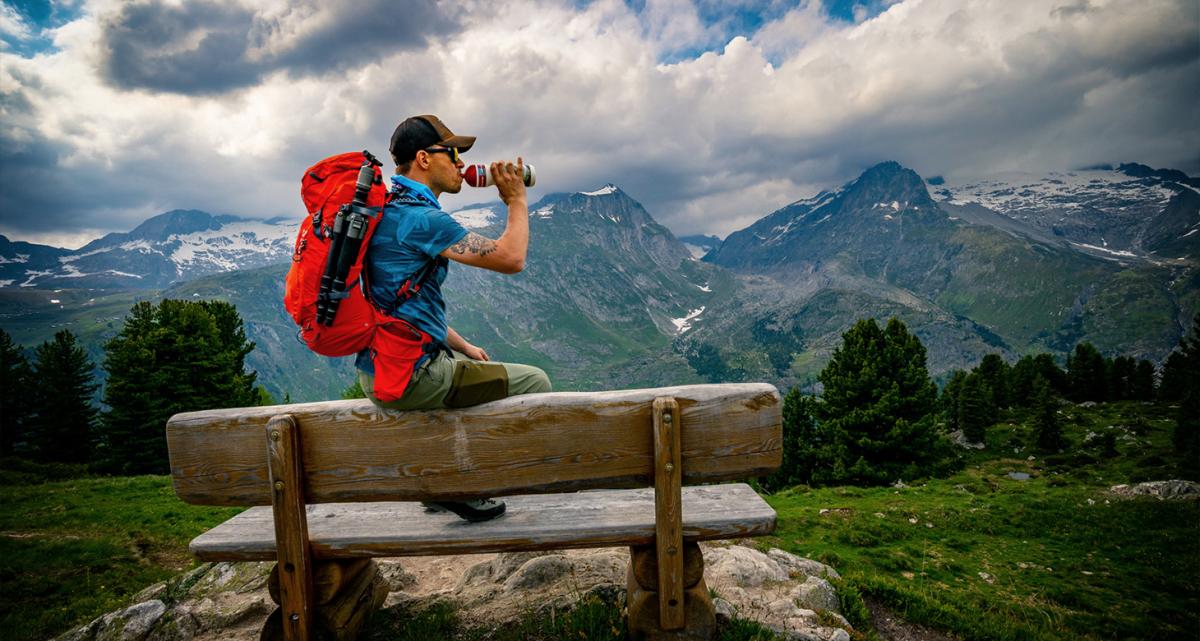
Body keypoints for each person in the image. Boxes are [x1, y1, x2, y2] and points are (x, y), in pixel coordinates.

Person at [355, 114, 551, 521]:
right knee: (536, 381)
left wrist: (460, 345)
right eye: (455, 153)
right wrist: (515, 199)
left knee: (471, 369)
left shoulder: (388, 210)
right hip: (414, 376)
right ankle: (460, 484)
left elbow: (400, 304)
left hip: (380, 369)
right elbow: (511, 258)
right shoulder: (423, 219)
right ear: (424, 159)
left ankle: (443, 485)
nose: (462, 164)